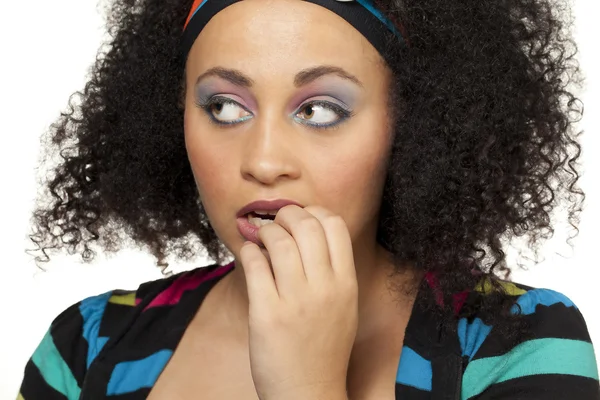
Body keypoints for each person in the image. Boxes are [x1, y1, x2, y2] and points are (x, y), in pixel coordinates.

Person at [17, 0, 599, 398]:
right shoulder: (87, 347)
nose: (264, 161)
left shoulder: (512, 341)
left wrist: (308, 387)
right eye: (224, 106)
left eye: (320, 110)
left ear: (413, 125)